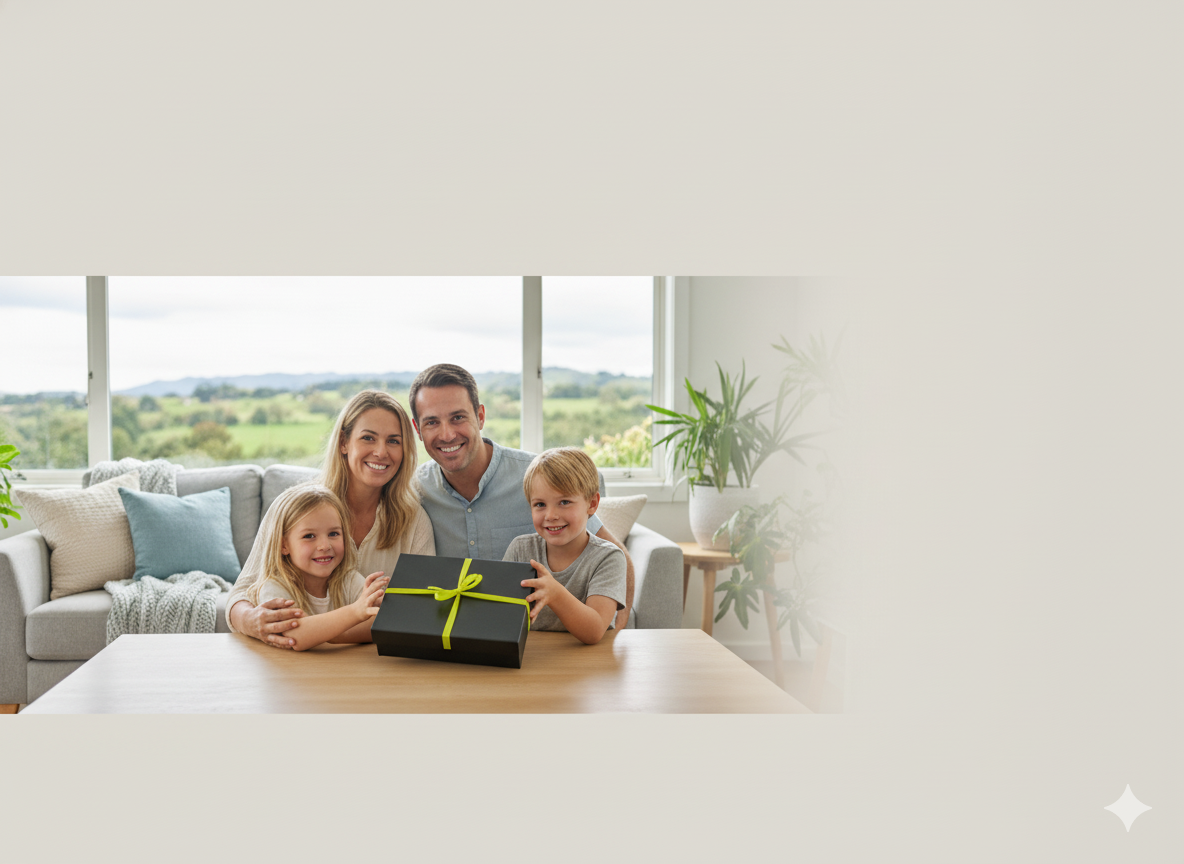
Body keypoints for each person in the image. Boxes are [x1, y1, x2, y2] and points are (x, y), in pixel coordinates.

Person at [410, 363, 634, 628]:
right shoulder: (415, 490)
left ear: (480, 417)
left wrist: (614, 635)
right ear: (418, 429)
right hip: (462, 636)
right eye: (432, 422)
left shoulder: (537, 477)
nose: (447, 434)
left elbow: (615, 556)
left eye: (458, 417)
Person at [227, 390, 436, 648]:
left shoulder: (414, 520)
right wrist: (249, 619)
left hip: (375, 668)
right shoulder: (294, 507)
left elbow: (417, 614)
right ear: (343, 443)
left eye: (394, 441)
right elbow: (241, 592)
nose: (381, 452)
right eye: (368, 438)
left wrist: (329, 632)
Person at [504, 447, 625, 644]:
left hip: (590, 664)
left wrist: (556, 593)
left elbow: (594, 632)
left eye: (564, 502)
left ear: (592, 504)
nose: (551, 515)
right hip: (535, 659)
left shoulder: (608, 558)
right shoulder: (520, 549)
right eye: (540, 505)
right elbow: (504, 617)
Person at [245, 484, 389, 650]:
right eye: (309, 536)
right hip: (293, 673)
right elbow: (295, 636)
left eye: (333, 533)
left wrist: (329, 635)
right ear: (284, 545)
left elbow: (380, 625)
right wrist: (356, 612)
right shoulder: (275, 587)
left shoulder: (348, 579)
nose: (324, 545)